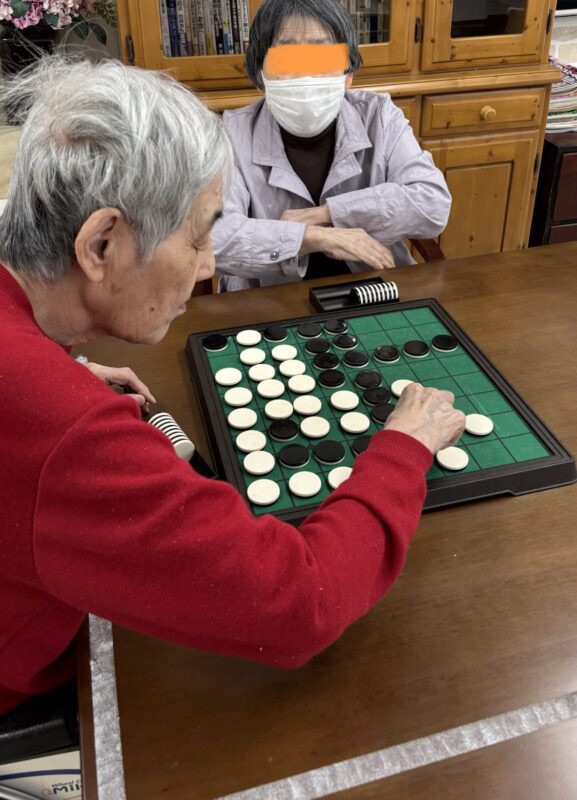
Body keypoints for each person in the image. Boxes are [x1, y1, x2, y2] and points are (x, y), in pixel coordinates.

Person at [0, 56, 464, 716]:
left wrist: (55, 367)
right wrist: (404, 449)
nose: (209, 265)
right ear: (101, 245)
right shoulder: (65, 431)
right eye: (199, 236)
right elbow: (300, 605)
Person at [212, 0, 451, 291]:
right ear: (260, 73)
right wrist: (314, 237)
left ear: (348, 74)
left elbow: (432, 202)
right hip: (269, 299)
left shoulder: (379, 115)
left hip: (372, 288)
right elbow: (213, 236)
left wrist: (330, 214)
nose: (305, 73)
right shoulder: (231, 134)